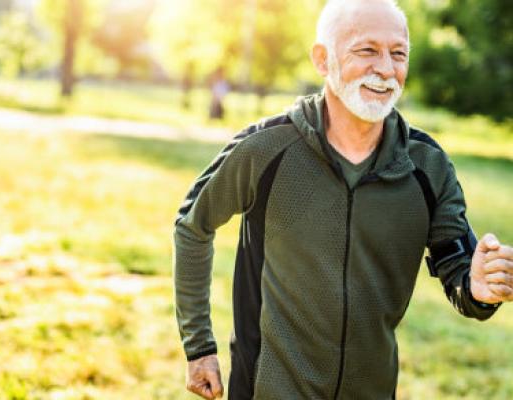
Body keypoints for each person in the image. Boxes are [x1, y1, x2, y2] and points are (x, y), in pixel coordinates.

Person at [172, 0, 513, 399]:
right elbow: (193, 226)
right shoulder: (266, 148)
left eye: (398, 53)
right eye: (367, 50)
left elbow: (458, 270)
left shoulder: (427, 166)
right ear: (323, 58)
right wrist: (199, 348)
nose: (386, 68)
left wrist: (479, 289)